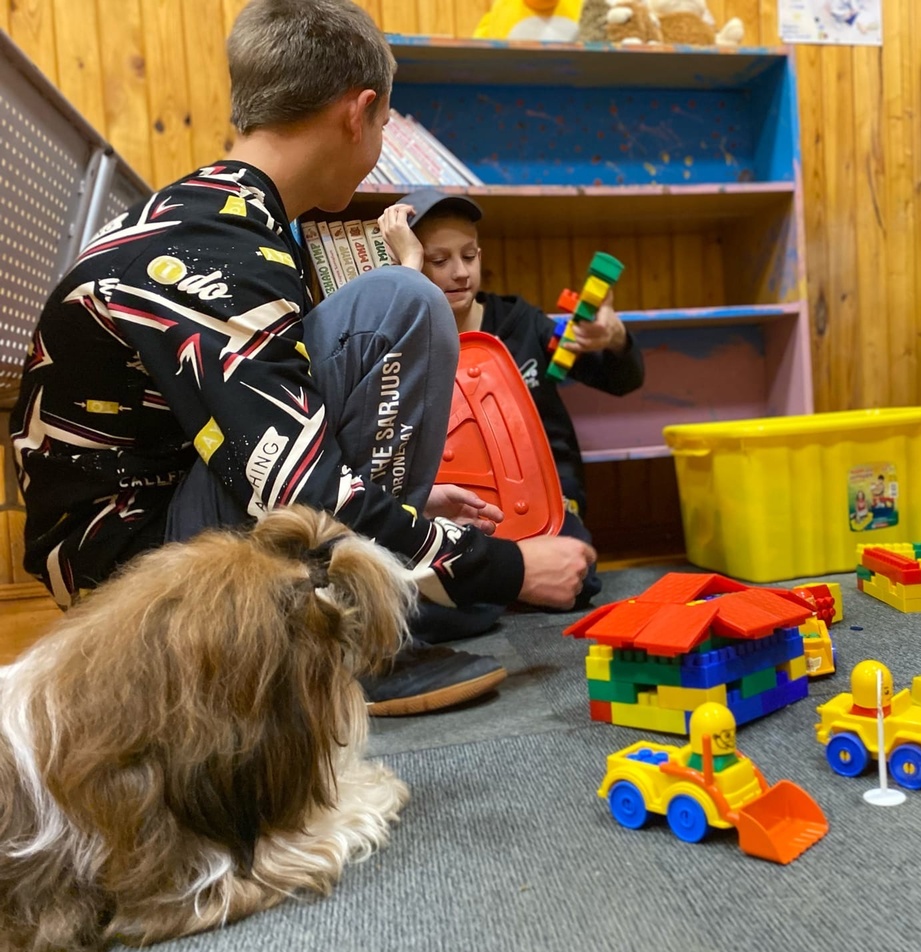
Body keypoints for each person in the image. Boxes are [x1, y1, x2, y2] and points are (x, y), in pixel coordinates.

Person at [7, 0, 595, 716]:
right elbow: (290, 487)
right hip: (143, 597)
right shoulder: (217, 253)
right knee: (400, 302)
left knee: (452, 599)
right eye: (384, 124)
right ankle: (348, 648)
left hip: (164, 537)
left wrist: (414, 512)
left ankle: (375, 606)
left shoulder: (218, 220)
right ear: (362, 112)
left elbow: (275, 433)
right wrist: (504, 568)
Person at [376, 189, 646, 606]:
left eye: (470, 255)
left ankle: (497, 582)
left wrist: (615, 338)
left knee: (578, 579)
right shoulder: (396, 340)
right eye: (439, 259)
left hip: (547, 500)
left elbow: (622, 379)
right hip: (453, 506)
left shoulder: (523, 324)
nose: (461, 272)